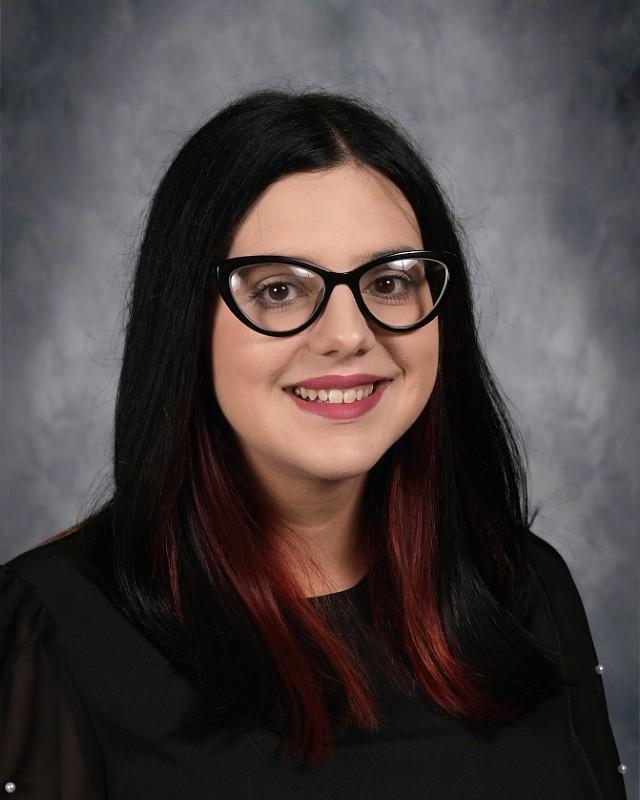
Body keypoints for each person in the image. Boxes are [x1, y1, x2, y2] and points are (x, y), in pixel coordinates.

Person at [0, 87, 627, 799]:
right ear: (184, 322)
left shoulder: (522, 585)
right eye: (277, 290)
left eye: (389, 281)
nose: (347, 333)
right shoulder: (55, 627)